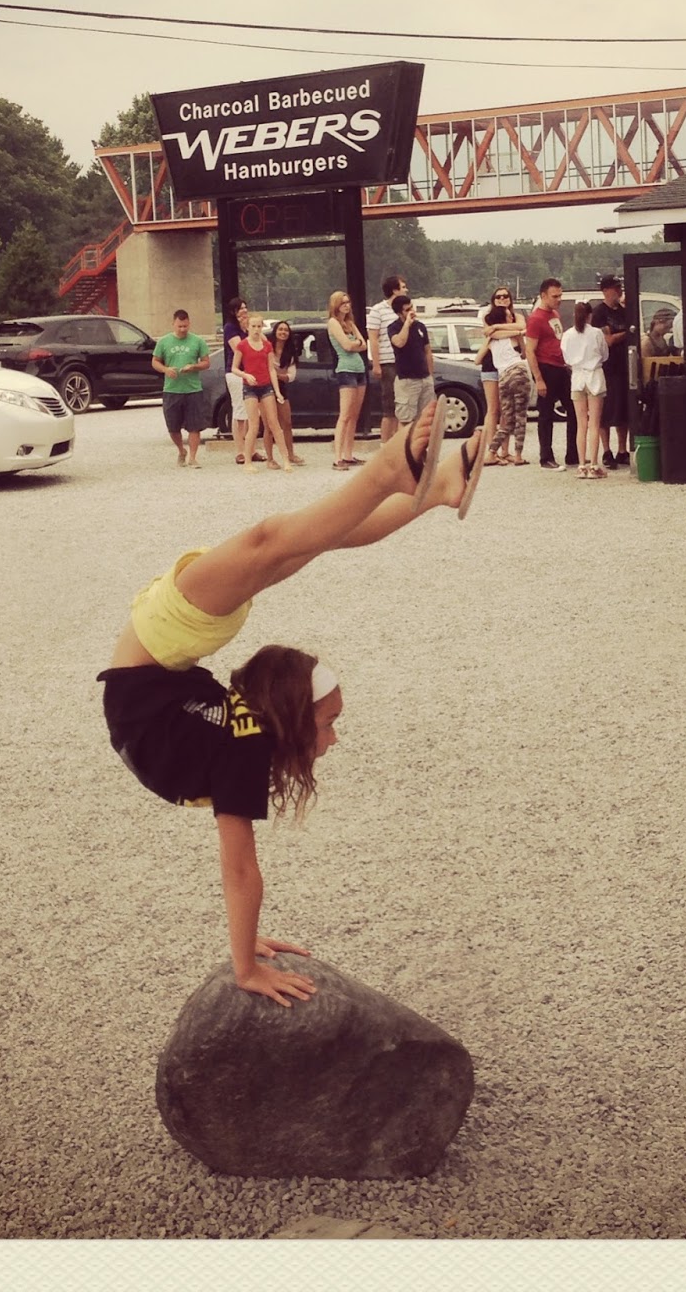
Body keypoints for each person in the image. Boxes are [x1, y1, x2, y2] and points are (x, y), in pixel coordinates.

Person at [98, 401, 488, 1007]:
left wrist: (244, 949)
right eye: (329, 722)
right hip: (164, 652)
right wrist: (246, 960)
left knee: (285, 539)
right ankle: (415, 480)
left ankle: (415, 478)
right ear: (290, 716)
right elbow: (240, 873)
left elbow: (237, 872)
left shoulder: (244, 748)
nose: (333, 739)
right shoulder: (245, 749)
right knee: (294, 540)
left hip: (159, 651)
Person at [523, 277, 577, 470]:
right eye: (555, 296)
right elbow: (530, 350)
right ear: (543, 296)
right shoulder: (536, 319)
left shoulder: (554, 314)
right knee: (546, 414)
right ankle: (546, 456)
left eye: (560, 295)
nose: (559, 299)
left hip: (560, 367)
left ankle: (573, 453)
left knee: (573, 409)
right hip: (546, 367)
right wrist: (538, 379)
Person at [152, 309, 212, 467]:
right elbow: (155, 361)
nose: (183, 329)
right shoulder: (164, 342)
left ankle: (193, 457)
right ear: (173, 324)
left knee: (194, 426)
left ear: (189, 323)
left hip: (193, 389)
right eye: (179, 326)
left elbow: (206, 362)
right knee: (173, 427)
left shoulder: (198, 341)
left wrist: (193, 366)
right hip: (172, 390)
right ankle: (181, 450)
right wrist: (166, 369)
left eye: (185, 326)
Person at [234, 313, 291, 474]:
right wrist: (245, 375)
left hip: (266, 386)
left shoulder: (267, 346)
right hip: (250, 387)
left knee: (274, 424)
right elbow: (234, 368)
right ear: (248, 327)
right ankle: (247, 461)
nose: (256, 329)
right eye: (253, 326)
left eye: (259, 326)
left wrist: (278, 391)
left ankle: (286, 459)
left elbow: (271, 369)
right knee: (253, 425)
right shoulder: (242, 345)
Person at [480, 285, 530, 466]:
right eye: (498, 296)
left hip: (506, 366)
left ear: (510, 299)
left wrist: (498, 327)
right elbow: (488, 333)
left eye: (505, 296)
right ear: (493, 300)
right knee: (493, 409)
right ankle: (490, 451)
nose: (502, 299)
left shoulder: (517, 316)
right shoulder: (487, 316)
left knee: (506, 412)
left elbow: (521, 326)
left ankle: (505, 451)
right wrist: (516, 332)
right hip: (491, 366)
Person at [562, 301, 610, 480]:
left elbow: (566, 357)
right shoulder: (596, 333)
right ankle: (594, 465)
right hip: (594, 376)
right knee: (594, 424)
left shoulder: (567, 335)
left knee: (581, 424)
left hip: (577, 378)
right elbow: (605, 354)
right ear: (590, 315)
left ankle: (581, 465)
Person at [590, 275, 633, 469]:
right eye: (616, 287)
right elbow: (608, 340)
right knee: (606, 411)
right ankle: (606, 451)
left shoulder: (624, 312)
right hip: (608, 368)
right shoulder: (599, 313)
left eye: (620, 287)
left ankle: (622, 450)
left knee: (623, 410)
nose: (620, 290)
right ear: (606, 290)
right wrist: (628, 333)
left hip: (625, 366)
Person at [325, 290, 368, 470]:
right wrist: (356, 344)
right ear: (335, 305)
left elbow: (364, 344)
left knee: (354, 416)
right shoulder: (333, 323)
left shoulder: (349, 323)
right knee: (344, 415)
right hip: (346, 370)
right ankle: (337, 457)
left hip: (359, 369)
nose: (346, 305)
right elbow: (347, 345)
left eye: (348, 302)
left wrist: (357, 344)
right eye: (343, 302)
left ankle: (349, 454)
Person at [365, 273, 407, 444]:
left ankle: (398, 443)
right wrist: (376, 364)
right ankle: (384, 444)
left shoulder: (405, 309)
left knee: (403, 406)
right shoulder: (378, 311)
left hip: (404, 361)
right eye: (403, 286)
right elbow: (373, 339)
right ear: (394, 290)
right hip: (388, 362)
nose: (406, 289)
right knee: (389, 406)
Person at [222, 296, 263, 466]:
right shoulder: (230, 328)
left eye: (245, 307)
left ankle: (251, 449)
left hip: (252, 372)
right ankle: (240, 451)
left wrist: (249, 329)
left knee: (252, 412)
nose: (244, 311)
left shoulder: (248, 327)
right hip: (237, 373)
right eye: (240, 308)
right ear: (234, 311)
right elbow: (240, 349)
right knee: (240, 411)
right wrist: (246, 332)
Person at [387, 292, 435, 427]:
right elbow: (399, 342)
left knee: (426, 419)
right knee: (406, 419)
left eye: (412, 308)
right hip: (407, 380)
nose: (412, 312)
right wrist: (407, 324)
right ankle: (403, 446)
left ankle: (421, 448)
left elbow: (427, 351)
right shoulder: (393, 327)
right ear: (399, 313)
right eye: (407, 310)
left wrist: (430, 375)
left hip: (424, 378)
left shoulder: (420, 326)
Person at [263, 319, 306, 468]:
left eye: (286, 330)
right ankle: (270, 459)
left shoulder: (290, 353)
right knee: (269, 425)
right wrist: (277, 373)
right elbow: (265, 369)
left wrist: (276, 374)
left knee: (286, 422)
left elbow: (291, 376)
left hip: (281, 387)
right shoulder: (267, 348)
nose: (283, 332)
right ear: (275, 331)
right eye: (280, 329)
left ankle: (290, 454)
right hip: (266, 387)